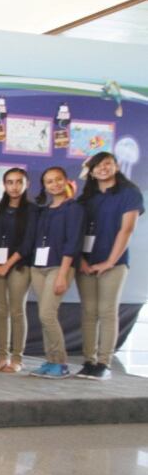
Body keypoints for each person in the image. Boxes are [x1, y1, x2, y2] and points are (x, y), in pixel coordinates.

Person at [75, 151, 143, 381]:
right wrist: (82, 261)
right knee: (89, 312)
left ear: (115, 166)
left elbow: (127, 229)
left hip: (113, 264)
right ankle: (88, 360)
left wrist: (110, 262)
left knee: (107, 312)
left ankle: (104, 362)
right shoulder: (86, 198)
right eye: (98, 166)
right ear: (91, 171)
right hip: (86, 263)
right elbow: (76, 232)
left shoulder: (129, 193)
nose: (103, 168)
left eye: (108, 164)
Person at [29, 167, 84, 379]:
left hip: (60, 267)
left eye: (58, 180)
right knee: (45, 316)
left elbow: (73, 241)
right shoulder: (44, 210)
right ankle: (50, 360)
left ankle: (60, 363)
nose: (55, 184)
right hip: (39, 267)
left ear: (66, 181)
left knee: (47, 314)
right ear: (45, 186)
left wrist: (63, 273)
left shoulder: (74, 209)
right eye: (49, 181)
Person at [0, 168, 36, 373]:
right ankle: (2, 357)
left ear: (26, 184)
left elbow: (28, 242)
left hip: (18, 266)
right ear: (4, 185)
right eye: (9, 182)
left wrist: (8, 264)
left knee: (16, 310)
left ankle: (17, 358)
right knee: (0, 310)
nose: (14, 186)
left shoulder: (32, 210)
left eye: (18, 182)